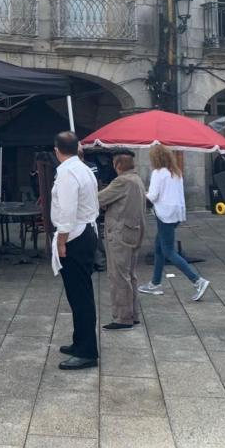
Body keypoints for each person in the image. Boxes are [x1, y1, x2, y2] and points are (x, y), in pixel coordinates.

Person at [51, 131, 100, 370]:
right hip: (86, 231)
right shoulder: (83, 168)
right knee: (80, 293)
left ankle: (86, 351)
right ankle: (80, 341)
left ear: (56, 150)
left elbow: (67, 211)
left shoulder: (67, 172)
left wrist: (61, 241)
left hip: (75, 236)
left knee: (79, 296)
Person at [138, 144, 211, 301]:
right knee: (159, 249)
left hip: (164, 215)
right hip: (176, 214)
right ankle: (155, 283)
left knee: (168, 251)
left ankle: (197, 280)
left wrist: (142, 194)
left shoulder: (158, 173)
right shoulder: (176, 172)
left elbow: (153, 196)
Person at [97, 149, 146, 330]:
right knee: (130, 275)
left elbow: (99, 199)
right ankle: (133, 314)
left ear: (117, 164)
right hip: (134, 230)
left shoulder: (122, 181)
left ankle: (122, 318)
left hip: (120, 233)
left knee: (118, 276)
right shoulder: (137, 179)